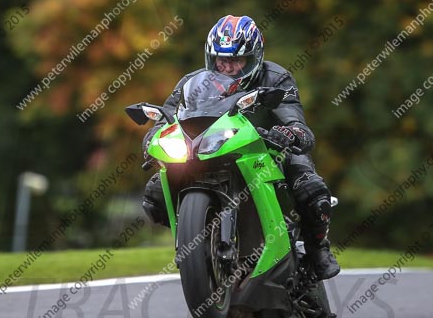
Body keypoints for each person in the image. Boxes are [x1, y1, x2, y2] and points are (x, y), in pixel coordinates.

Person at [141, 14, 341, 279]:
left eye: (237, 60)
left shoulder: (276, 78)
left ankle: (318, 250)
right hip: (207, 149)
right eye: (222, 60)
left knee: (311, 188)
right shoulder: (193, 82)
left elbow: (297, 123)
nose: (228, 68)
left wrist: (290, 133)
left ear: (254, 56)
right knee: (154, 193)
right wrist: (153, 137)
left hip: (269, 149)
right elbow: (167, 117)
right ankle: (200, 242)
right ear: (211, 58)